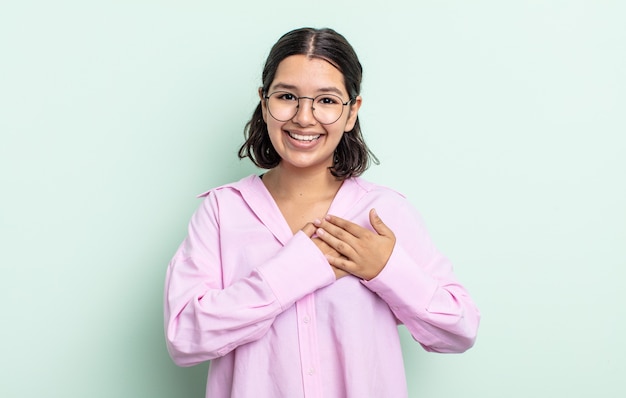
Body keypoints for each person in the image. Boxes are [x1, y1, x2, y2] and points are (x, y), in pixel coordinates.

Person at [164, 27, 480, 398]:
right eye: (287, 97)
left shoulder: (386, 212)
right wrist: (295, 271)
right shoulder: (221, 211)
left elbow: (459, 329)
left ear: (352, 112)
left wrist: (386, 269)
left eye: (327, 101)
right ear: (264, 102)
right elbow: (183, 337)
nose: (304, 117)